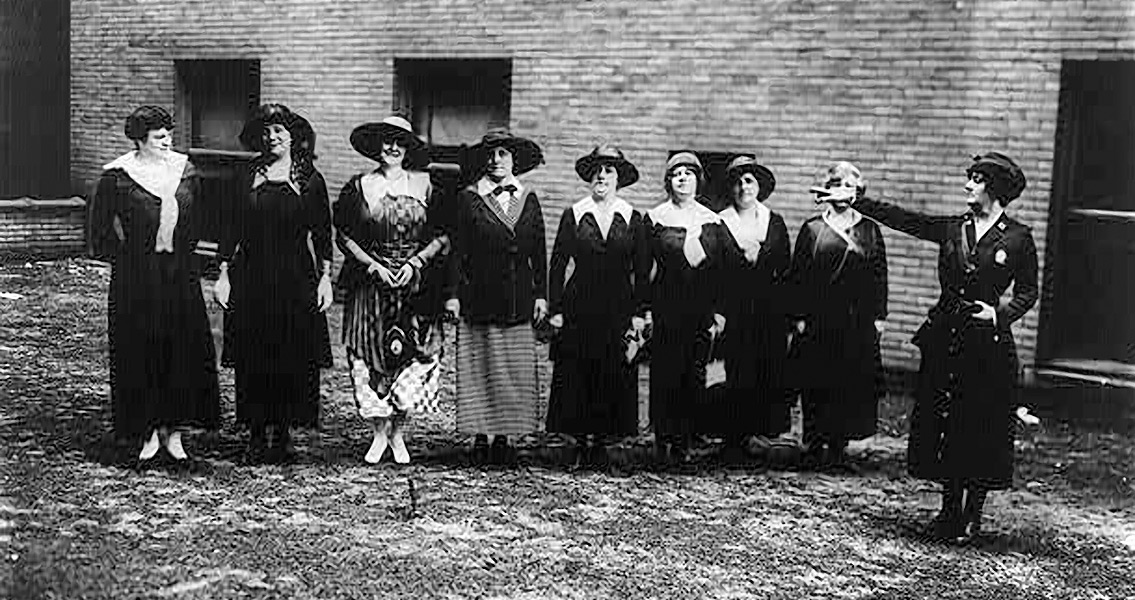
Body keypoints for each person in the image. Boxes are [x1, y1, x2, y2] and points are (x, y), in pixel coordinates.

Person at [848, 152, 1038, 542]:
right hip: (946, 339)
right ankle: (949, 510)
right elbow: (907, 220)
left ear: (996, 189)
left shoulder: (1018, 238)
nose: (968, 185)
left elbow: (1029, 291)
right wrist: (859, 201)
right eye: (969, 178)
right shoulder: (953, 228)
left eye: (977, 180)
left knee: (980, 423)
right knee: (947, 422)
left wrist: (999, 314)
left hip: (987, 345)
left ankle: (972, 513)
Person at [88, 105, 220, 463]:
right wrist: (130, 259)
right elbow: (99, 232)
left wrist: (186, 256)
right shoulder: (118, 176)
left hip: (178, 276)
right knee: (142, 348)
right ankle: (146, 431)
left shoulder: (185, 170)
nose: (167, 142)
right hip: (137, 278)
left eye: (169, 135)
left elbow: (201, 219)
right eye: (159, 137)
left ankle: (174, 431)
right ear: (140, 140)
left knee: (180, 348)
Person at [214, 104, 333, 464]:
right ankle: (255, 433)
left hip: (296, 276)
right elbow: (229, 228)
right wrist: (222, 275)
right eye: (266, 132)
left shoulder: (309, 179)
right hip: (251, 276)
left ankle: (282, 434)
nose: (273, 137)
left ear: (293, 135)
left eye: (279, 130)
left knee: (291, 353)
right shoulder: (246, 175)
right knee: (254, 353)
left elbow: (322, 233)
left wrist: (325, 277)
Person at [333, 115, 448, 465]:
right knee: (369, 357)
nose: (392, 147)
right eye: (386, 140)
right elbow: (344, 235)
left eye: (400, 142)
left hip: (415, 287)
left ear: (408, 147)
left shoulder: (426, 185)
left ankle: (398, 432)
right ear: (376, 146)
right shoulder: (359, 186)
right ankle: (379, 432)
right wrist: (373, 266)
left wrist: (416, 263)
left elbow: (443, 235)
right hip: (371, 285)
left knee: (411, 355)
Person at [443, 129, 547, 464]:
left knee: (511, 371)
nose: (496, 160)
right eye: (490, 154)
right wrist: (454, 295)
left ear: (514, 159)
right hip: (479, 295)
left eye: (503, 153)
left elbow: (540, 253)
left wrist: (542, 296)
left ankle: (504, 437)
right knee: (481, 368)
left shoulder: (528, 198)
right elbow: (457, 251)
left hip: (518, 297)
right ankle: (481, 436)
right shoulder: (469, 198)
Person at [545, 145, 648, 467]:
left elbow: (642, 270)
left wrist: (639, 313)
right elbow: (558, 264)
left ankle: (602, 443)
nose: (601, 176)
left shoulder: (632, 216)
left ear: (619, 179)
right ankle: (578, 441)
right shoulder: (574, 213)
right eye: (597, 171)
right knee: (577, 371)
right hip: (580, 305)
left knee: (612, 370)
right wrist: (556, 308)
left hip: (618, 305)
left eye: (609, 171)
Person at [788, 161, 888, 472]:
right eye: (837, 185)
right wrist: (799, 315)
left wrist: (879, 316)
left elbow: (878, 276)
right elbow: (798, 276)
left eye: (850, 188)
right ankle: (815, 443)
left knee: (849, 380)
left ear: (858, 193)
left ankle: (839, 447)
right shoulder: (813, 229)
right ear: (827, 190)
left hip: (856, 320)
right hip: (819, 319)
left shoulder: (870, 229)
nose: (843, 193)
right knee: (816, 378)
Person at [642, 152, 727, 463]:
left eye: (688, 173)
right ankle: (663, 438)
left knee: (694, 371)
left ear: (698, 180)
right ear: (668, 181)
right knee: (665, 372)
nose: (682, 178)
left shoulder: (713, 221)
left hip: (699, 309)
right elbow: (643, 268)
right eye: (676, 173)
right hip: (666, 306)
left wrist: (718, 311)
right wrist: (646, 310)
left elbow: (720, 270)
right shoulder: (654, 218)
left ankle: (684, 440)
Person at [712, 155, 792, 461]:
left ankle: (753, 434)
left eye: (749, 180)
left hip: (767, 313)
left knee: (762, 371)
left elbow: (785, 268)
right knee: (728, 372)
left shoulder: (775, 222)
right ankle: (729, 438)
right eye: (737, 181)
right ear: (730, 188)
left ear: (759, 187)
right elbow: (712, 270)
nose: (743, 187)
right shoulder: (719, 223)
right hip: (731, 312)